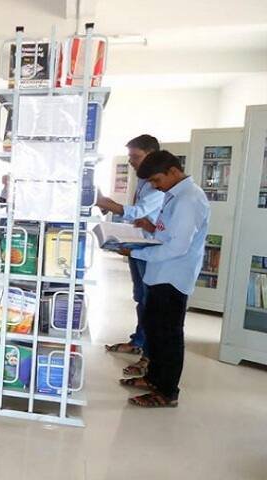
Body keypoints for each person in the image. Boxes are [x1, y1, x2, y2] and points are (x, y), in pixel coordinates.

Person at [119, 150, 209, 408]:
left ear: (173, 171)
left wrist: (136, 252)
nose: (156, 186)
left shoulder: (189, 199)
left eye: (157, 180)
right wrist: (150, 228)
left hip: (173, 277)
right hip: (160, 273)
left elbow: (177, 247)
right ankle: (154, 378)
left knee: (168, 335)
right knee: (155, 329)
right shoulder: (175, 195)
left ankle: (167, 391)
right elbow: (169, 233)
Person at [98, 134, 163, 378]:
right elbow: (138, 216)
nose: (131, 162)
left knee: (149, 300)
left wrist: (107, 203)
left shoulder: (158, 185)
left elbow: (138, 212)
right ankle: (139, 341)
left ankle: (148, 352)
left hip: (151, 248)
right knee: (140, 297)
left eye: (135, 156)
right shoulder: (144, 182)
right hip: (139, 245)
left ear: (151, 155)